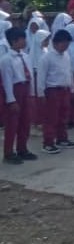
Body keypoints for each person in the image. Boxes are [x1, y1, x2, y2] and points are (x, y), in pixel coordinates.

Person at [1, 27, 38, 164]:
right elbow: (7, 81)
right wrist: (11, 100)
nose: (25, 41)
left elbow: (30, 76)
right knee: (12, 124)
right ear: (14, 41)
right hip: (15, 90)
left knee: (25, 121)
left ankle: (22, 148)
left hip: (25, 88)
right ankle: (9, 153)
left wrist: (32, 93)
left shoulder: (25, 56)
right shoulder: (6, 60)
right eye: (22, 39)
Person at [36, 29, 74, 154]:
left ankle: (62, 138)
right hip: (52, 90)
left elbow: (69, 72)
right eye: (63, 43)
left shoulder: (66, 56)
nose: (65, 46)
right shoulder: (46, 58)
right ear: (55, 43)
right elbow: (41, 77)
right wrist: (41, 93)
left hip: (65, 89)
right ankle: (48, 143)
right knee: (51, 117)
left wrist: (72, 88)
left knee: (63, 116)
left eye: (67, 44)